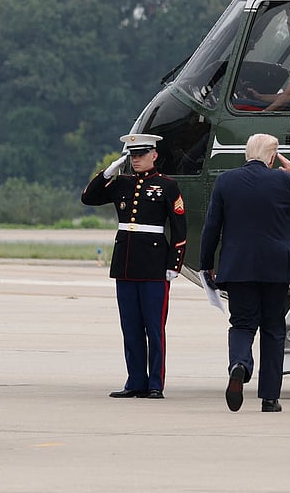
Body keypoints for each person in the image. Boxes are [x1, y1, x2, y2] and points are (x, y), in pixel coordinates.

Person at [198, 133, 290, 413]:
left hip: (239, 266)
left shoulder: (226, 181)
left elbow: (211, 227)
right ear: (271, 156)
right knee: (273, 329)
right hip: (277, 267)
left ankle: (239, 364)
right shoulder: (285, 180)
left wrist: (206, 264)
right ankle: (269, 397)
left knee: (242, 324)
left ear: (246, 154)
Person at [81, 133, 187, 400]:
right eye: (132, 155)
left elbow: (179, 228)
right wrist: (107, 173)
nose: (136, 160)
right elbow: (88, 198)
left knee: (154, 327)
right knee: (130, 326)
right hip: (125, 264)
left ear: (154, 155)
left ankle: (155, 384)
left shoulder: (167, 186)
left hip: (154, 265)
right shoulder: (121, 183)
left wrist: (175, 264)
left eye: (141, 154)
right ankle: (135, 381)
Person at [242, 6, 290, 111]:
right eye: (289, 24)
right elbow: (287, 94)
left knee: (237, 104)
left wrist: (265, 114)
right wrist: (259, 97)